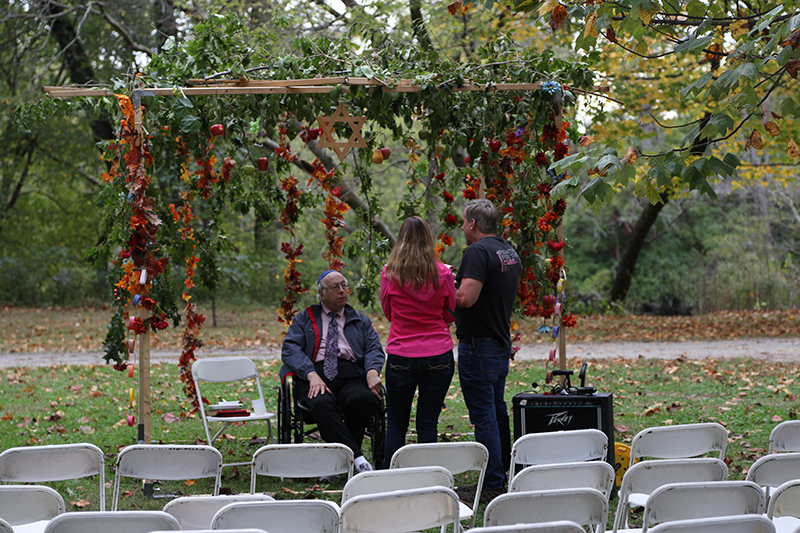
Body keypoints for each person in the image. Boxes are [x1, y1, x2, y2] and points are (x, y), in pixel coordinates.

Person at [280, 269, 385, 474]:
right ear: (321, 294)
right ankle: (357, 459)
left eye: (344, 286)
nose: (342, 291)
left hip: (351, 374)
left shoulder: (359, 319)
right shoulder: (305, 318)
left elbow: (373, 347)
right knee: (319, 402)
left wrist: (372, 371)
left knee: (365, 399)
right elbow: (290, 349)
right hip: (315, 373)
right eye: (335, 287)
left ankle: (338, 465)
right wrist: (311, 374)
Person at [454, 198, 521, 503]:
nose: (462, 227)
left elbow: (466, 298)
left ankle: (493, 482)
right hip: (498, 342)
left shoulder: (476, 252)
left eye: (463, 221)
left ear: (473, 224)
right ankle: (504, 470)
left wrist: (443, 290)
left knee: (484, 415)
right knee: (496, 410)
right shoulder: (508, 251)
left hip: (478, 345)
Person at [380, 216, 457, 465]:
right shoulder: (443, 274)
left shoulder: (389, 274)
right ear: (428, 239)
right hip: (438, 353)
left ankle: (394, 479)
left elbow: (388, 313)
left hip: (401, 354)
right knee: (427, 422)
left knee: (396, 424)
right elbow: (450, 314)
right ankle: (426, 478)